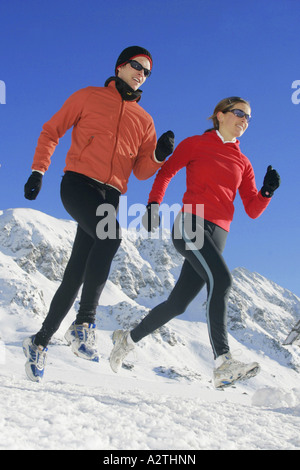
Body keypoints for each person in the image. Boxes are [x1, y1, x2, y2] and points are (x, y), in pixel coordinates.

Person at [22, 46, 175, 382]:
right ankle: (84, 322)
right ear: (120, 66)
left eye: (147, 71)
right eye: (136, 66)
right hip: (77, 184)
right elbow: (52, 130)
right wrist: (38, 170)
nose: (141, 73)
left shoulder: (144, 120)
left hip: (110, 196)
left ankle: (39, 341)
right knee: (111, 236)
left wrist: (160, 155)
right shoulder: (88, 96)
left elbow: (142, 171)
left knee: (76, 273)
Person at [109, 96, 281, 389]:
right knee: (223, 280)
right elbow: (166, 172)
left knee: (178, 304)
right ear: (219, 115)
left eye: (249, 117)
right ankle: (223, 362)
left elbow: (252, 209)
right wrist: (153, 205)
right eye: (239, 113)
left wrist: (266, 192)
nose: (244, 120)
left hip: (219, 235)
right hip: (192, 223)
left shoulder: (244, 162)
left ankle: (128, 338)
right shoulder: (195, 144)